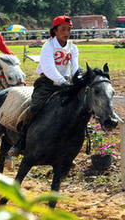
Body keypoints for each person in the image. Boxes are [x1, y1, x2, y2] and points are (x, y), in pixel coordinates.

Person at [9, 15, 79, 156]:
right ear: (55, 31)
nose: (66, 33)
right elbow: (49, 69)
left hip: (65, 83)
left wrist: (77, 80)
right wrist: (63, 81)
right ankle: (20, 141)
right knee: (35, 107)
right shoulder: (48, 46)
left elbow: (75, 67)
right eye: (63, 29)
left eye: (69, 29)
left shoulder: (73, 47)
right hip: (47, 83)